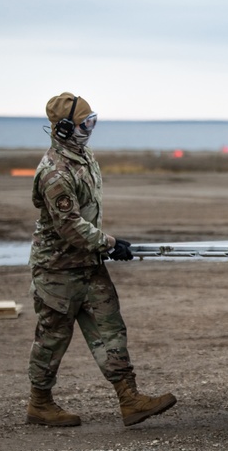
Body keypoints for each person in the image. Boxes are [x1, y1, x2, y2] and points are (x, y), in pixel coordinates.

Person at [25, 92, 177, 428]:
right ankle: (40, 403)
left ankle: (129, 398)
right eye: (85, 123)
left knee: (111, 328)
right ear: (64, 128)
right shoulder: (55, 172)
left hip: (88, 264)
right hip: (57, 270)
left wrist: (102, 247)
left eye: (93, 121)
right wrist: (110, 243)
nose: (90, 129)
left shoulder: (83, 157)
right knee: (52, 338)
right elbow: (69, 226)